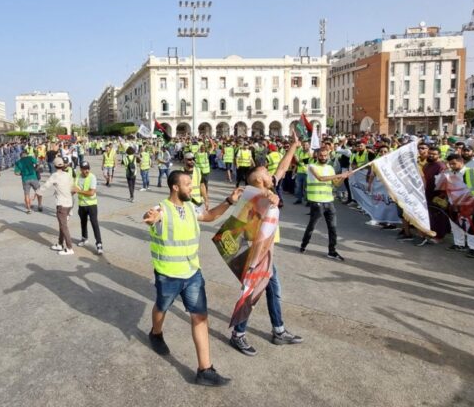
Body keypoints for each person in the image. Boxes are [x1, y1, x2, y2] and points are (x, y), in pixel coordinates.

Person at [142, 171, 243, 386]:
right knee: (161, 307)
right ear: (175, 187)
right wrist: (151, 218)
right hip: (168, 275)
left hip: (192, 273)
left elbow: (210, 216)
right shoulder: (162, 208)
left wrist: (229, 201)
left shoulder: (190, 206)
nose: (192, 187)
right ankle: (156, 333)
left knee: (200, 317)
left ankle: (205, 370)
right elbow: (152, 216)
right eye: (187, 184)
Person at [229, 133, 302, 357]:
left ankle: (278, 330)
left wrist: (293, 147)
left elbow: (281, 168)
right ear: (260, 181)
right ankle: (239, 334)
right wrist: (254, 263)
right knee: (252, 292)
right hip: (257, 253)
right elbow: (252, 232)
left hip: (266, 251)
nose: (273, 175)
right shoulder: (254, 200)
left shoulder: (269, 188)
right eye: (267, 175)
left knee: (271, 289)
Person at [300, 147, 350, 259]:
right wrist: (339, 175)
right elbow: (321, 178)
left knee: (333, 228)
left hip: (329, 202)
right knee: (312, 226)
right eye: (321, 155)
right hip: (317, 202)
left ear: (328, 156)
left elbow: (336, 184)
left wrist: (344, 177)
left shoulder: (330, 168)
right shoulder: (312, 166)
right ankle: (304, 245)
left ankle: (332, 251)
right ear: (316, 156)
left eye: (325, 155)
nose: (323, 157)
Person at [37, 156, 75, 255]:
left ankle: (69, 248)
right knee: (62, 225)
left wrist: (37, 192)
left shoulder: (54, 175)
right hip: (69, 202)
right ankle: (60, 244)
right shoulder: (68, 175)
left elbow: (45, 186)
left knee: (63, 226)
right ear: (63, 165)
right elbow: (72, 189)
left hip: (62, 204)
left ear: (54, 166)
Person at [73, 161, 102, 255]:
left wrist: (79, 191)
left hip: (91, 204)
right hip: (81, 204)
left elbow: (91, 193)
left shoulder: (92, 177)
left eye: (88, 169)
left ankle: (99, 243)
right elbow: (74, 188)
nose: (86, 171)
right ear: (81, 169)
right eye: (84, 169)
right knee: (83, 222)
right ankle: (84, 238)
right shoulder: (77, 176)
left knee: (94, 223)